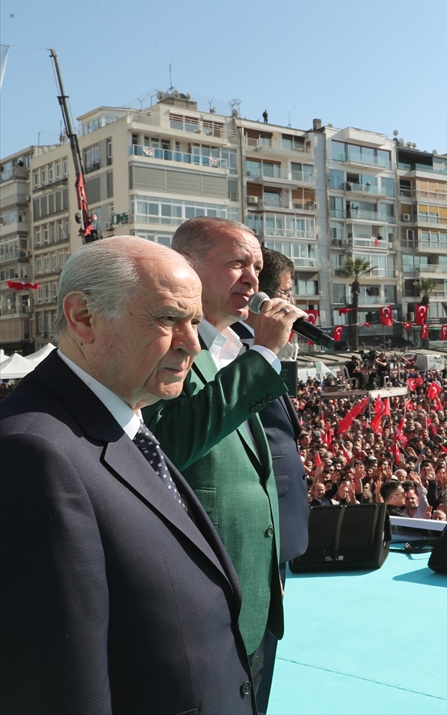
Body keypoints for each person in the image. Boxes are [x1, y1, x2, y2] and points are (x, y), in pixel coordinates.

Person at [1, 237, 255, 713]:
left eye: (196, 321)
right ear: (83, 318)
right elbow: (57, 686)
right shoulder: (32, 452)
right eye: (168, 319)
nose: (192, 344)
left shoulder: (124, 422)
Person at [143, 217, 297, 700]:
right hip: (204, 598)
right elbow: (171, 442)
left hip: (254, 593)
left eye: (256, 265)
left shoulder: (233, 346)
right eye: (237, 264)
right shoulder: (164, 344)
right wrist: (267, 353)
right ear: (187, 268)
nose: (253, 279)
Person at [232, 248, 307, 713]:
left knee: (265, 648)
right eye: (284, 295)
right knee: (248, 651)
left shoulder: (261, 346)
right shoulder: (232, 346)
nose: (292, 305)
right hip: (255, 516)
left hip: (277, 518)